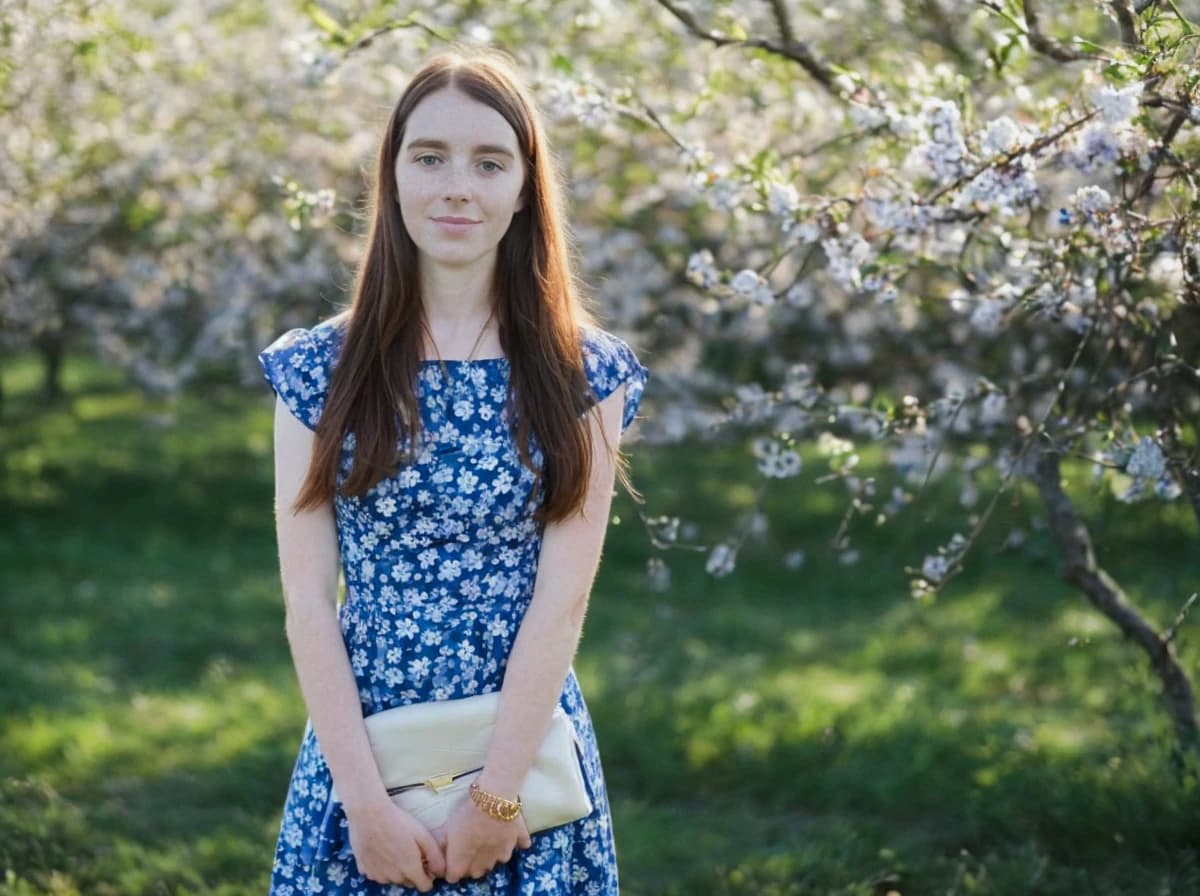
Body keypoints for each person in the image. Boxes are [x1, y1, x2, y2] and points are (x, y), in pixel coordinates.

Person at [256, 44, 649, 896]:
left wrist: (496, 801)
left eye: (488, 161)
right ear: (393, 175)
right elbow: (306, 602)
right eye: (429, 157)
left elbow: (564, 596)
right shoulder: (318, 370)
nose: (455, 187)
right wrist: (363, 808)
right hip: (364, 757)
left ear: (524, 185)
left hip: (522, 761)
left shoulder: (585, 373)